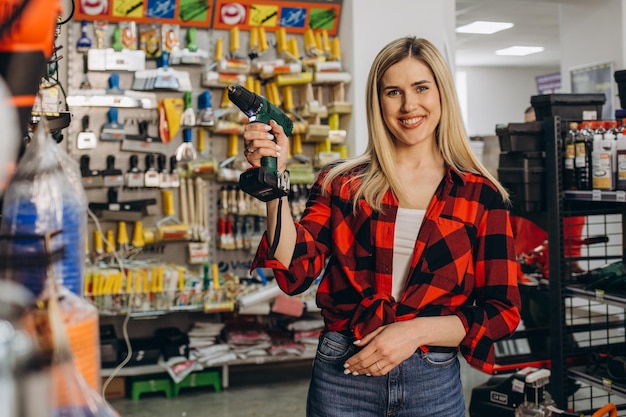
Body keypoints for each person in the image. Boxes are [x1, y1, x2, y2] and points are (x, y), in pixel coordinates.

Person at [242, 36, 521, 417]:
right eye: (394, 92)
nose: (409, 105)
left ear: (441, 93)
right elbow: (296, 270)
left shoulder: (481, 195)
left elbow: (502, 311)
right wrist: (274, 183)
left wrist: (415, 332)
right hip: (343, 375)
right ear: (379, 102)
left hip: (433, 382)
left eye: (421, 88)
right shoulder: (342, 182)